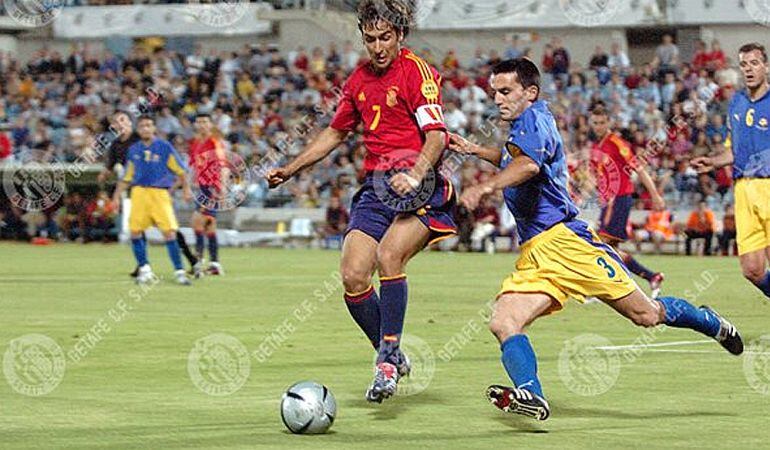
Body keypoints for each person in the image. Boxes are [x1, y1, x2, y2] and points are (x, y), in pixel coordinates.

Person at [450, 58, 741, 422]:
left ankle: (709, 321)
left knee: (646, 315)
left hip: (567, 243)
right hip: (537, 251)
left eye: (506, 91)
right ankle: (532, 393)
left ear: (530, 92)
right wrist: (477, 151)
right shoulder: (526, 124)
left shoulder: (534, 120)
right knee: (504, 321)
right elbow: (519, 159)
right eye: (494, 92)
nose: (498, 99)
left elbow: (528, 166)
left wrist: (483, 186)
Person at [266, 0, 456, 403]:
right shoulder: (357, 81)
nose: (377, 47)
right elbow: (335, 134)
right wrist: (292, 167)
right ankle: (390, 351)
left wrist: (417, 173)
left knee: (389, 257)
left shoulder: (417, 73)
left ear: (400, 35)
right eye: (370, 39)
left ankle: (386, 364)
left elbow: (437, 136)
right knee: (353, 276)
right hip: (376, 188)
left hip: (420, 186)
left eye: (385, 37)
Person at [692, 42, 770, 299]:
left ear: (766, 67)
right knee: (752, 269)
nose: (749, 69)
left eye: (755, 63)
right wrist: (712, 162)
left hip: (767, 186)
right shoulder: (736, 103)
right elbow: (733, 149)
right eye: (744, 64)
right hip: (743, 190)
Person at [100, 110, 199, 277]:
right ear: (113, 126)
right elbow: (118, 169)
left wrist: (184, 187)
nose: (120, 124)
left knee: (170, 230)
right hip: (138, 191)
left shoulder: (147, 141)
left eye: (123, 120)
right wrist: (107, 178)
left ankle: (189, 261)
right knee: (137, 229)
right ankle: (143, 266)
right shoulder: (117, 145)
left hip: (158, 190)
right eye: (116, 122)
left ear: (131, 123)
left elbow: (177, 167)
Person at [588, 104, 666, 297]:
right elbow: (596, 177)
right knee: (611, 250)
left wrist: (654, 194)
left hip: (619, 198)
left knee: (599, 243)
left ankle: (599, 289)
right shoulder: (596, 147)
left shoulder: (616, 143)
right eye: (595, 123)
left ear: (608, 122)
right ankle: (651, 277)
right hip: (608, 202)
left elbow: (638, 167)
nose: (598, 126)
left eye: (602, 122)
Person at [188, 113, 228, 276]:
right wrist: (190, 183)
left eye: (205, 121)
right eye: (199, 122)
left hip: (212, 187)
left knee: (198, 222)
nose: (202, 125)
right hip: (201, 187)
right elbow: (193, 165)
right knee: (208, 225)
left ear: (211, 124)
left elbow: (223, 164)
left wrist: (222, 187)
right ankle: (214, 264)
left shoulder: (214, 142)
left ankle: (199, 261)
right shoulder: (196, 143)